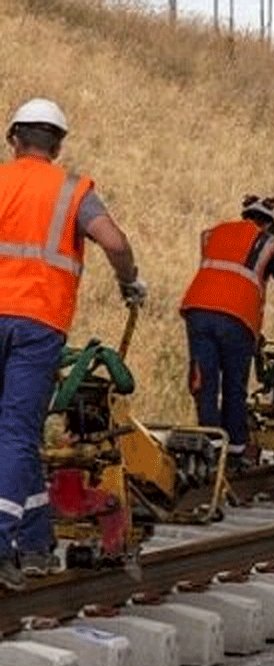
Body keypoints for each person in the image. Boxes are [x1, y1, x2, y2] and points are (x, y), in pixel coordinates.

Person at [0, 98, 146, 589]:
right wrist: (129, 283)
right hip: (39, 323)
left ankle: (37, 544)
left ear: (13, 139)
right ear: (57, 145)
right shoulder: (72, 191)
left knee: (15, 437)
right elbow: (116, 244)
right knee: (18, 434)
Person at [179, 195, 274, 472]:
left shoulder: (214, 234)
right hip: (236, 319)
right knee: (234, 386)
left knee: (204, 382)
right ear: (269, 223)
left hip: (198, 311)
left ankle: (210, 448)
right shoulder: (267, 243)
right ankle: (236, 453)